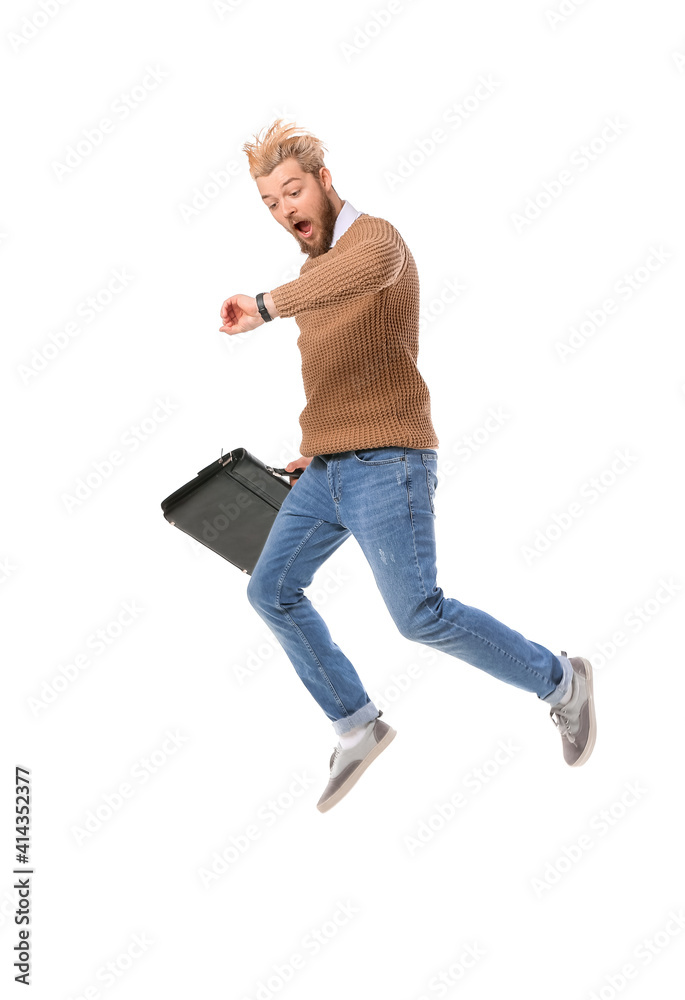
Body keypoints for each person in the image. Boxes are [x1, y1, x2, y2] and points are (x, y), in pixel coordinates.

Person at [219, 119, 597, 813]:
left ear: (325, 181)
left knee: (418, 614)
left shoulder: (374, 242)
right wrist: (322, 443)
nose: (285, 210)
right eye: (270, 203)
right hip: (331, 466)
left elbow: (356, 275)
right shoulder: (313, 274)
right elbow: (342, 370)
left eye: (293, 191)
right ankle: (355, 723)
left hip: (388, 463)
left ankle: (561, 680)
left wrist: (265, 306)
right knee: (269, 590)